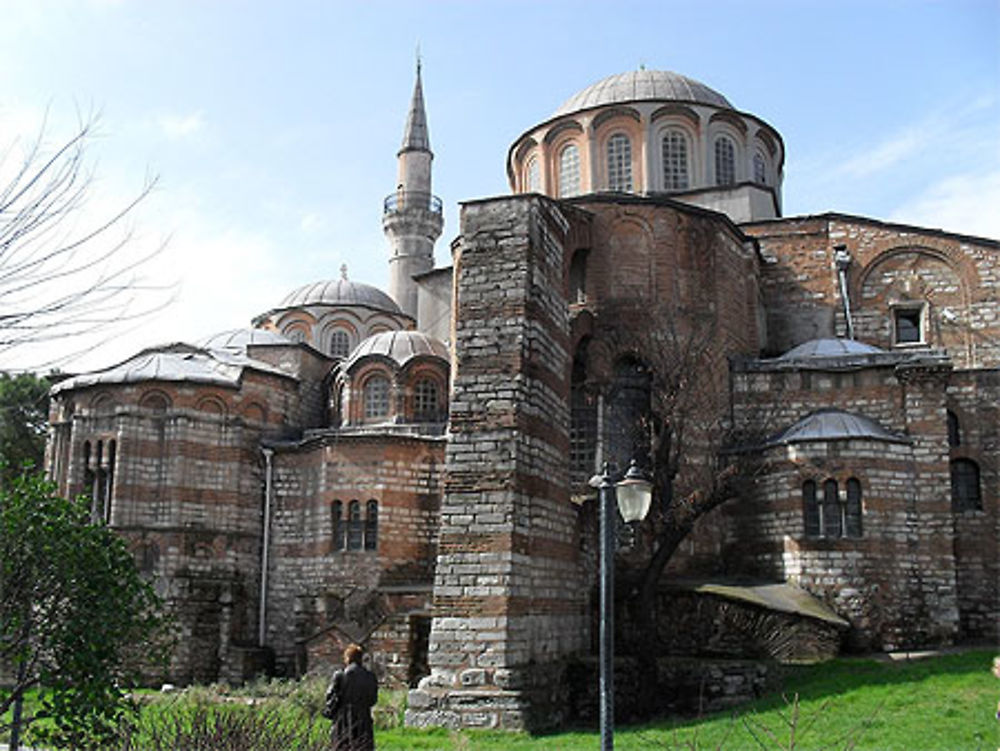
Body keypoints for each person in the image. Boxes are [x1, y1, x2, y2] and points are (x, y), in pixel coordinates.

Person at [325, 643, 379, 751]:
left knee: (342, 746)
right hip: (364, 719)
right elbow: (373, 700)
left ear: (347, 658)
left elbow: (330, 697)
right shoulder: (370, 676)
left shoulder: (340, 675)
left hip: (344, 719)